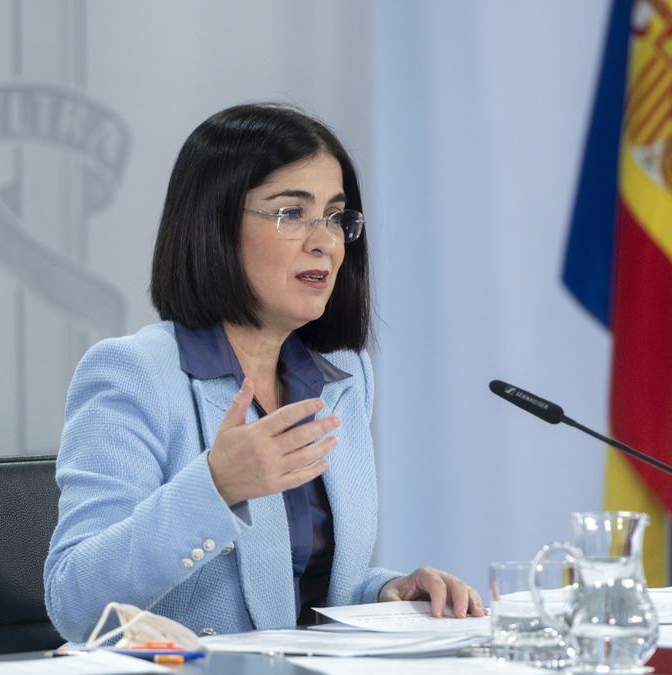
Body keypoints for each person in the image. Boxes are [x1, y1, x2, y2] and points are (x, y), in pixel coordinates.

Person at [44, 103, 483, 644]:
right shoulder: (135, 374)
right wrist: (215, 486)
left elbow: (301, 587)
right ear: (216, 225)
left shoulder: (344, 378)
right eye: (290, 214)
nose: (324, 241)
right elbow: (75, 601)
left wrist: (386, 593)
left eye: (336, 216)